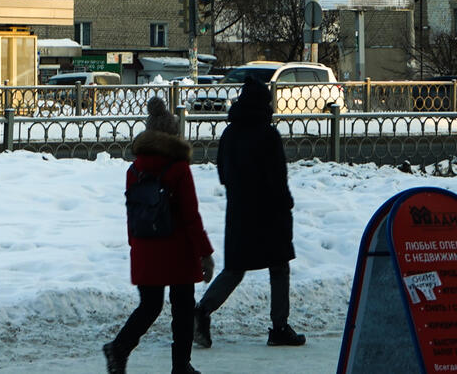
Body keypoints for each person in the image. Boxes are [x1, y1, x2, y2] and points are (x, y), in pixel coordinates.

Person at [194, 78, 306, 349]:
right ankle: (279, 327)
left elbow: (222, 172)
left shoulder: (230, 133)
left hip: (239, 212)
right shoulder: (268, 134)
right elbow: (278, 178)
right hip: (269, 213)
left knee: (235, 268)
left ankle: (201, 311)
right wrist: (285, 205)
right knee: (279, 267)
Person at [104, 98, 213, 374]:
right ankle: (181, 366)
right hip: (177, 249)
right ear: (174, 135)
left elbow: (132, 212)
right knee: (183, 309)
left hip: (145, 246)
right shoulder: (178, 168)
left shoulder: (135, 169)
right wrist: (205, 252)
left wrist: (135, 247)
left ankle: (119, 348)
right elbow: (190, 216)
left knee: (150, 306)